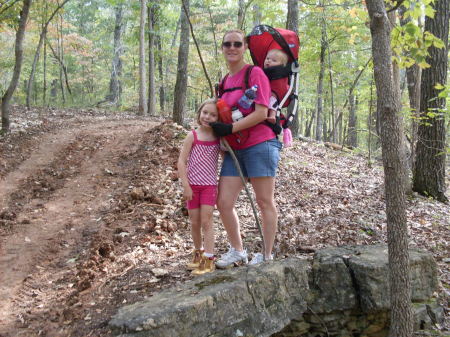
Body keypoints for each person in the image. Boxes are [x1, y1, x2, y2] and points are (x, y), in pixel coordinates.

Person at [210, 29, 282, 267]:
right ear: (222, 48)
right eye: (227, 44)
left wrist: (229, 130)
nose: (232, 48)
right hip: (234, 149)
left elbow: (261, 112)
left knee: (264, 201)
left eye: (237, 44)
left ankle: (267, 254)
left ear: (245, 48)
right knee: (224, 202)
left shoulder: (255, 73)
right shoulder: (224, 82)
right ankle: (238, 250)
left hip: (260, 144)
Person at [177, 98, 221, 275]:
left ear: (218, 118)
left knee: (206, 221)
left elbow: (226, 156)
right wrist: (185, 185)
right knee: (194, 222)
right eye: (205, 113)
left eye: (213, 115)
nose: (207, 117)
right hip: (192, 186)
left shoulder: (218, 138)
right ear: (199, 113)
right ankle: (198, 253)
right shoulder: (192, 135)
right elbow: (181, 160)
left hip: (209, 186)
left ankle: (209, 259)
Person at [263, 49, 289, 124]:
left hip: (276, 92)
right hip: (269, 91)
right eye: (267, 58)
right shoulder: (265, 70)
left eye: (274, 60)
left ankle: (272, 115)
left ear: (281, 65)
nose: (269, 61)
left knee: (272, 99)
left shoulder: (279, 71)